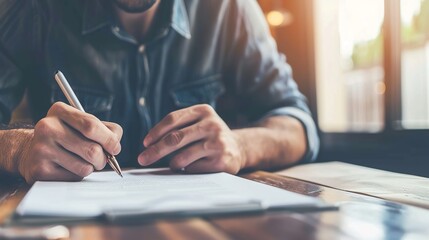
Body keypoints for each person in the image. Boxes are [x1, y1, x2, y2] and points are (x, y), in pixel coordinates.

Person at [0, 0, 319, 184]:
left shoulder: (227, 7)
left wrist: (240, 145)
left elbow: (297, 124)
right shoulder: (32, 9)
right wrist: (19, 149)